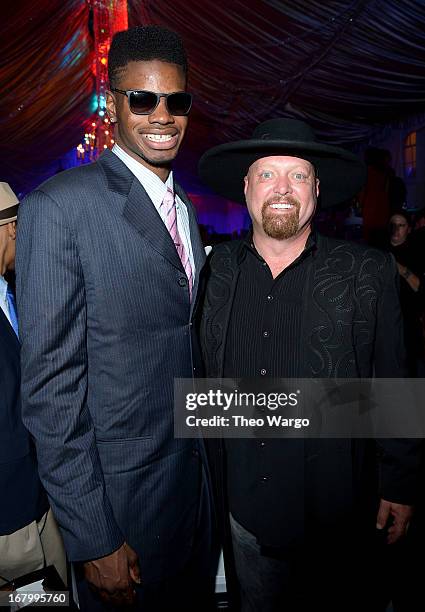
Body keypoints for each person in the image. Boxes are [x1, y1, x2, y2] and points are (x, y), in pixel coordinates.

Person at [16, 26, 213, 611]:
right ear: (113, 101)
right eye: (143, 99)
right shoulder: (59, 208)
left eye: (176, 101)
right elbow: (50, 392)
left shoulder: (185, 209)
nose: (162, 115)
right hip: (120, 508)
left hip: (193, 495)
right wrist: (94, 534)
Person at [198, 119, 421, 611]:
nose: (282, 189)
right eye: (268, 175)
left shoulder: (367, 272)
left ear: (317, 191)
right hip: (244, 518)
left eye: (297, 176)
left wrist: (400, 484)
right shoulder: (211, 273)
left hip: (339, 515)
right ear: (246, 187)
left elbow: (395, 382)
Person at [0, 182, 66, 587]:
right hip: (9, 521)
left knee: (54, 596)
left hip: (39, 501)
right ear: (12, 229)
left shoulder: (13, 294)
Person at [388, 211, 424, 376]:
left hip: (407, 321)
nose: (396, 229)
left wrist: (402, 270)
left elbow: (419, 288)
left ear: (408, 229)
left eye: (401, 225)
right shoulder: (377, 250)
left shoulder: (416, 253)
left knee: (408, 369)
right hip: (383, 319)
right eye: (393, 225)